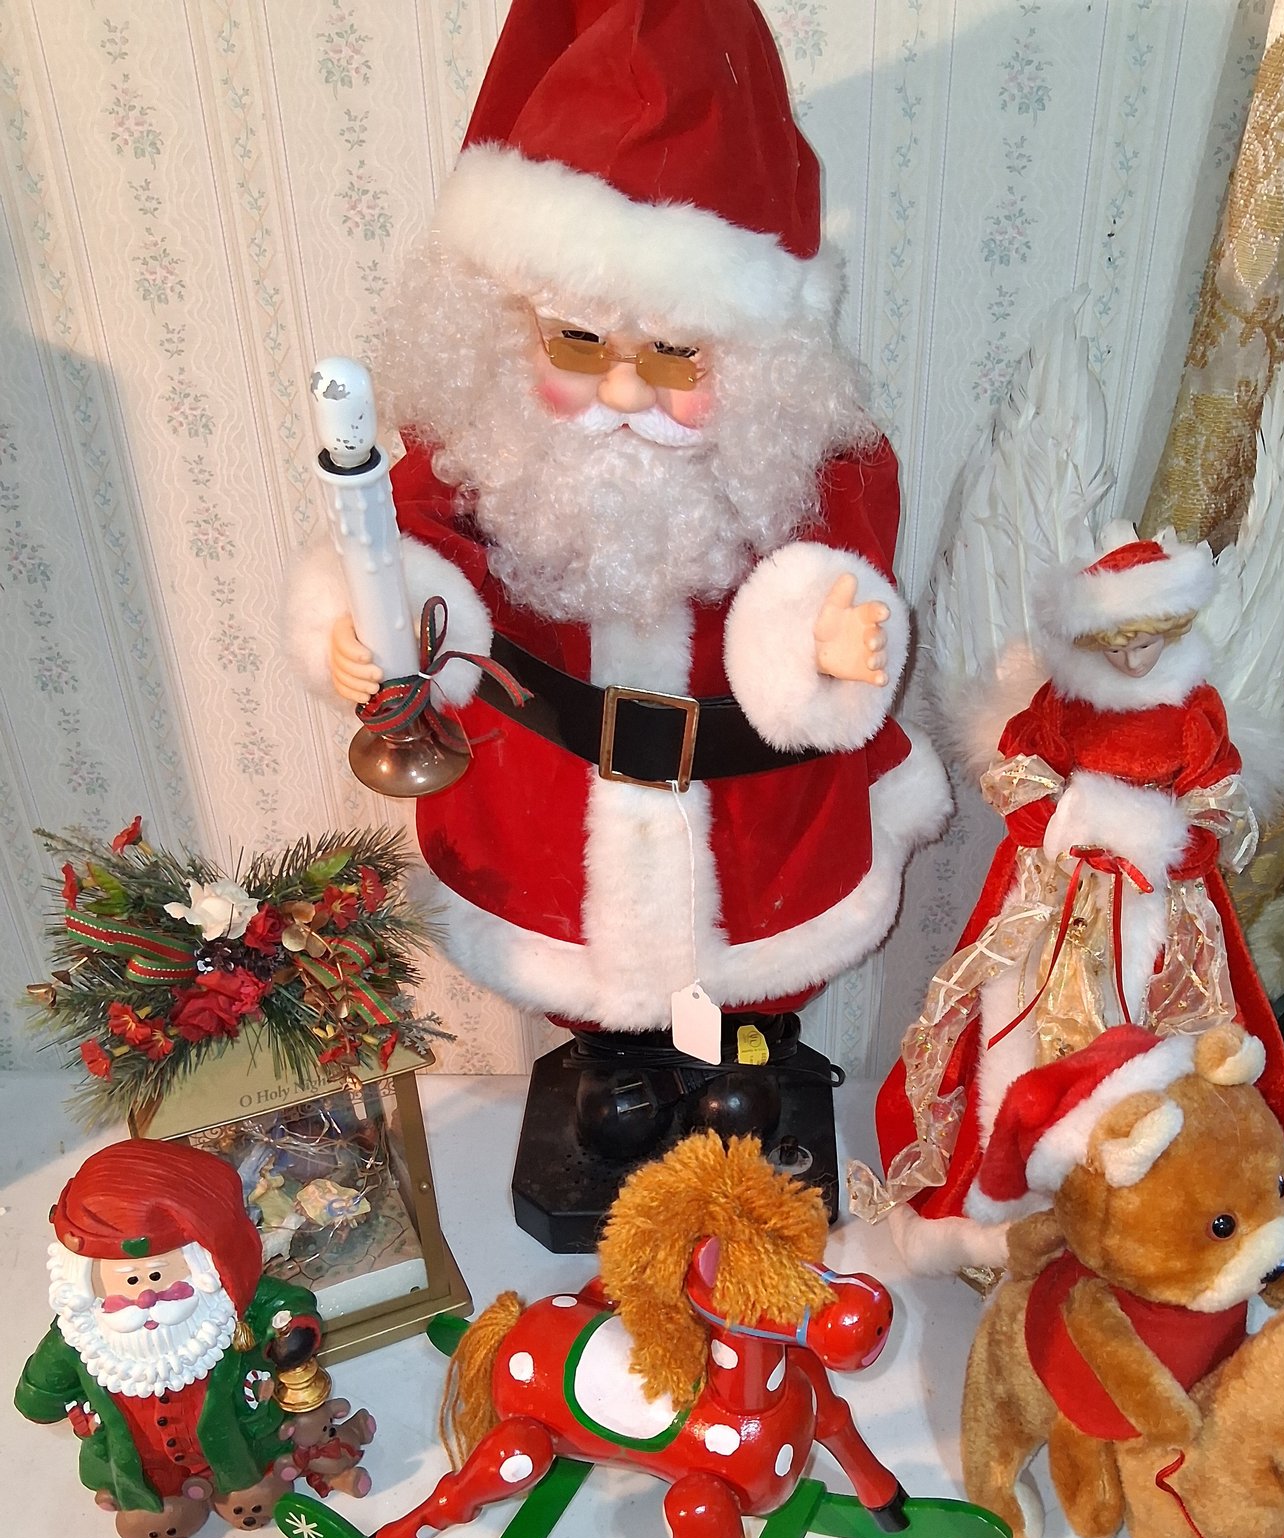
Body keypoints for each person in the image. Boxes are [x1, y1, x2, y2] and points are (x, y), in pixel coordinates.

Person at [284, 0, 949, 1154]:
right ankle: (618, 1063)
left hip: (757, 824)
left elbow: (843, 566)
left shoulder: (820, 459)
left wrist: (830, 639)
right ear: (512, 330)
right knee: (586, 997)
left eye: (676, 356)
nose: (627, 394)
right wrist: (376, 623)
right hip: (547, 807)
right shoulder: (478, 448)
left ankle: (745, 1057)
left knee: (754, 988)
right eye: (581, 345)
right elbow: (410, 547)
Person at [870, 527, 1284, 1275]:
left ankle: (1142, 1209)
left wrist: (1170, 842)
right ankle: (1018, 1198)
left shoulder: (1194, 707)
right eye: (1116, 645)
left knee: (1159, 1036)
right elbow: (1018, 774)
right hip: (1056, 892)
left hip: (1160, 900)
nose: (1132, 662)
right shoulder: (1065, 701)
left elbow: (1219, 803)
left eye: (1147, 643)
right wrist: (1070, 831)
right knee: (1019, 1027)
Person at [14, 1140, 326, 1538]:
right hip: (141, 1459)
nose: (145, 1295)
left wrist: (294, 1329)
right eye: (128, 1279)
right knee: (149, 1509)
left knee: (248, 1479)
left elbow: (282, 1303)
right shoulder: (81, 1334)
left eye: (158, 1275)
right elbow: (39, 1395)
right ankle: (161, 1506)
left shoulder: (220, 1306)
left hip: (236, 1437)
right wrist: (43, 1398)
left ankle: (242, 1487)